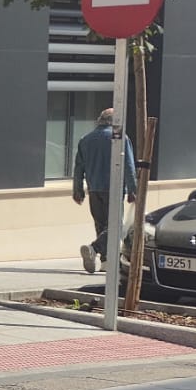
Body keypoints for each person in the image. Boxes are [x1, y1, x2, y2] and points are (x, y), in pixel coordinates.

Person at [72, 107, 137, 273]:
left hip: (94, 188)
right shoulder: (120, 138)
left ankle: (106, 262)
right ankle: (94, 248)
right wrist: (132, 189)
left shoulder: (85, 139)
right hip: (113, 188)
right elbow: (128, 165)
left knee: (101, 226)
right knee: (116, 226)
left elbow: (79, 168)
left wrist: (77, 190)